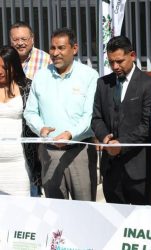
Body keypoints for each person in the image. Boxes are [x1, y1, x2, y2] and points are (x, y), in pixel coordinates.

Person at [24, 28, 98, 201]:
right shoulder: (41, 77)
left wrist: (70, 134)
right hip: (49, 153)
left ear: (74, 48)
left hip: (80, 151)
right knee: (55, 214)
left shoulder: (89, 76)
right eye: (52, 48)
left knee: (85, 209)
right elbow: (30, 112)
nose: (55, 53)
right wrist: (40, 128)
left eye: (61, 48)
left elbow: (90, 115)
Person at [91, 36, 151, 205]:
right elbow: (96, 118)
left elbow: (147, 124)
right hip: (111, 168)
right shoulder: (103, 83)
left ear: (132, 55)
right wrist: (105, 138)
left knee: (141, 220)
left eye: (120, 61)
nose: (115, 67)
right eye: (111, 62)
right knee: (115, 220)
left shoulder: (148, 83)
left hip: (139, 167)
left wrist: (121, 144)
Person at [9, 21, 52, 197]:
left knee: (37, 175)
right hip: (12, 128)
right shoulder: (5, 60)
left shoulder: (46, 60)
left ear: (32, 39)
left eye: (24, 39)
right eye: (15, 39)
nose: (20, 43)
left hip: (37, 130)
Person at [0, 46, 32, 196]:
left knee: (22, 212)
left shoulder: (27, 87)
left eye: (4, 67)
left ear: (14, 65)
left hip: (20, 165)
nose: (0, 71)